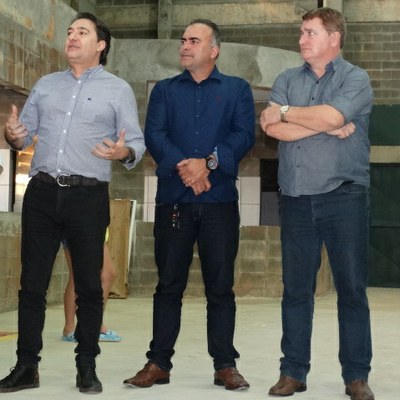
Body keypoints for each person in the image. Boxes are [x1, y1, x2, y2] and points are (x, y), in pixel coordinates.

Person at [0, 12, 145, 394]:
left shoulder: (117, 90)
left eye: (82, 32)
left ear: (101, 45)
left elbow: (137, 144)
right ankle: (26, 367)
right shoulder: (46, 85)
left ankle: (86, 366)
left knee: (90, 286)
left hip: (87, 196)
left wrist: (123, 151)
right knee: (32, 285)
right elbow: (22, 137)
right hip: (42, 193)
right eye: (69, 31)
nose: (72, 37)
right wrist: (13, 134)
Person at [123, 19, 255, 392]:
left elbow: (244, 135)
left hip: (219, 203)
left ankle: (225, 365)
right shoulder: (164, 91)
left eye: (194, 40)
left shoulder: (237, 89)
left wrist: (208, 163)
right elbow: (155, 135)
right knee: (168, 285)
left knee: (221, 287)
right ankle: (158, 363)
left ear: (214, 50)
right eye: (183, 40)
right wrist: (188, 169)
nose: (184, 45)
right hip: (174, 202)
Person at [259, 7, 374, 400]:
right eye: (302, 32)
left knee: (351, 289)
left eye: (310, 32)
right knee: (295, 290)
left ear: (334, 38)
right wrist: (324, 124)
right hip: (295, 198)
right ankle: (293, 372)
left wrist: (288, 113)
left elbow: (325, 115)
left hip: (344, 196)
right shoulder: (287, 79)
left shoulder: (356, 78)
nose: (302, 39)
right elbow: (273, 129)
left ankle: (356, 375)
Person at [62, 238, 121, 343]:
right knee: (77, 275)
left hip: (97, 232)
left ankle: (95, 324)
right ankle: (70, 327)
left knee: (108, 274)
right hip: (79, 230)